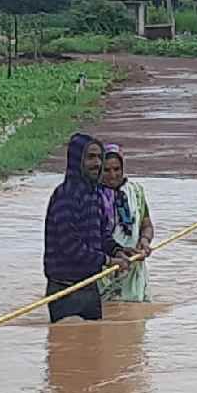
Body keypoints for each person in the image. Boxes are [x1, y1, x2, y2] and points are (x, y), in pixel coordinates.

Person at [43, 133, 130, 323]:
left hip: (90, 287)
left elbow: (102, 235)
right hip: (65, 290)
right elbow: (71, 246)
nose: (97, 163)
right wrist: (109, 260)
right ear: (77, 160)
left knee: (93, 346)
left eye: (99, 157)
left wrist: (119, 251)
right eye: (90, 157)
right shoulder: (65, 196)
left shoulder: (94, 194)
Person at [98, 144, 153, 302]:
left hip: (134, 267)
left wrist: (144, 241)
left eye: (117, 169)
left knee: (134, 318)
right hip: (106, 269)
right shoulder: (93, 197)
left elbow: (146, 224)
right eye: (106, 170)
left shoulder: (136, 192)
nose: (112, 175)